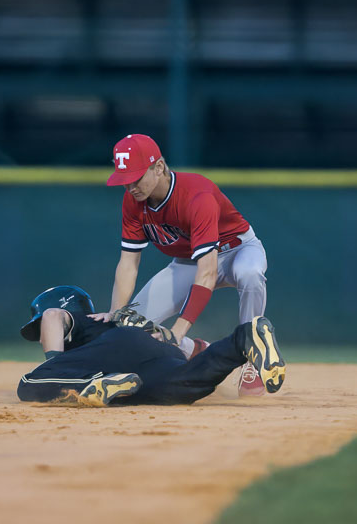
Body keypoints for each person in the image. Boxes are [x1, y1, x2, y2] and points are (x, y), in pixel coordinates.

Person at [100, 133, 271, 396]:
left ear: (158, 167)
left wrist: (177, 331)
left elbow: (208, 273)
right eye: (124, 181)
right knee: (130, 329)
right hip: (187, 262)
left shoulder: (196, 195)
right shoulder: (132, 201)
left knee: (249, 274)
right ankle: (196, 350)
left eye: (136, 178)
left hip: (238, 249)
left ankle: (253, 352)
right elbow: (128, 264)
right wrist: (115, 312)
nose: (131, 187)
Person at [16, 285, 285, 406]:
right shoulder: (112, 328)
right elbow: (188, 350)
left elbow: (51, 316)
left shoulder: (81, 321)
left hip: (115, 349)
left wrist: (52, 363)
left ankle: (91, 386)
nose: (40, 336)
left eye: (37, 331)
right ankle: (242, 340)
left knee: (30, 383)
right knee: (185, 386)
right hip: (152, 357)